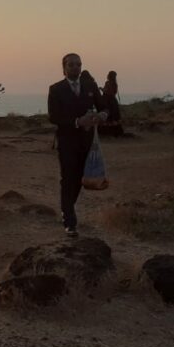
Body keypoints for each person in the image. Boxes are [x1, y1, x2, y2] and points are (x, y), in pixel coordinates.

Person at [47, 53, 106, 236]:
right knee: (67, 179)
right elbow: (54, 117)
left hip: (87, 141)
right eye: (71, 64)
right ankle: (69, 221)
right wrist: (77, 121)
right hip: (66, 141)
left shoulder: (90, 86)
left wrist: (103, 114)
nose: (75, 68)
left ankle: (67, 208)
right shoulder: (56, 89)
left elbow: (103, 105)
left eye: (78, 64)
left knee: (79, 178)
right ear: (64, 68)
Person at [99, 71, 124, 137]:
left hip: (107, 102)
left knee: (109, 116)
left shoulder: (108, 83)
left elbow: (107, 91)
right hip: (113, 102)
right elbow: (113, 92)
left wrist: (101, 89)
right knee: (114, 116)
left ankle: (107, 133)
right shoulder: (115, 84)